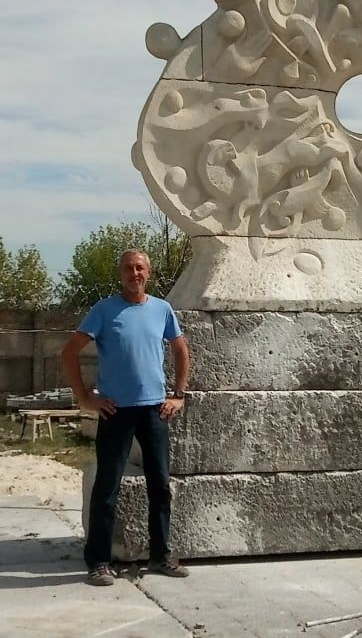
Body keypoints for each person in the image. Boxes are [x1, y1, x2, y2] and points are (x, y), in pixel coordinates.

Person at [61, 248, 190, 586]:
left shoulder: (162, 309)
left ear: (149, 272)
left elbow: (180, 349)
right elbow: (69, 352)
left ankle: (161, 555)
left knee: (160, 485)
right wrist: (85, 397)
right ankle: (98, 561)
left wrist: (178, 395)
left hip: (154, 409)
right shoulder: (104, 310)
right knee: (107, 487)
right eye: (129, 268)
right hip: (116, 411)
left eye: (140, 268)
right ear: (120, 274)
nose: (135, 274)